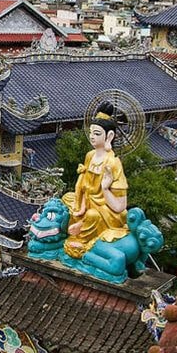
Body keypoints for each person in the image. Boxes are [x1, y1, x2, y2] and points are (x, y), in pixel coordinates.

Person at [61, 103, 129, 259]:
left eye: (97, 133)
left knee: (92, 215)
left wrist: (105, 189)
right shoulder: (90, 156)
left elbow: (120, 206)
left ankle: (82, 235)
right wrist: (81, 204)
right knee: (66, 198)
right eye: (91, 132)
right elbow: (83, 186)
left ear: (109, 136)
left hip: (105, 209)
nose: (92, 137)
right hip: (86, 201)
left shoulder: (113, 163)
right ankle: (78, 226)